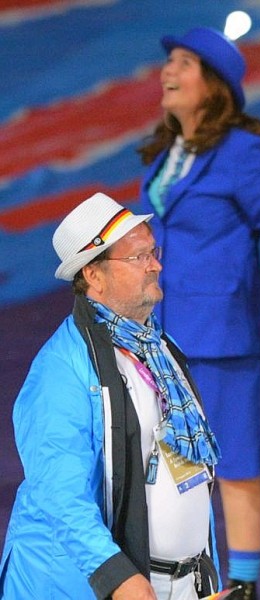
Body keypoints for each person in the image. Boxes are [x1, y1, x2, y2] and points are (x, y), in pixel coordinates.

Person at [0, 192, 219, 599]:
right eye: (137, 258)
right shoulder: (60, 372)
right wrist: (116, 577)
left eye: (153, 251)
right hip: (85, 586)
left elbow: (188, 474)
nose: (156, 265)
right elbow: (60, 498)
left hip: (174, 583)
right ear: (94, 276)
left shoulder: (161, 350)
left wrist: (200, 573)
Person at [137, 27, 260, 598]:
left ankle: (244, 585)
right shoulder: (169, 151)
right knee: (178, 467)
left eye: (183, 62)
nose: (166, 71)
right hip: (164, 334)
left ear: (215, 85)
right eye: (167, 60)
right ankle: (196, 578)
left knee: (236, 461)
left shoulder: (242, 151)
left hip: (227, 336)